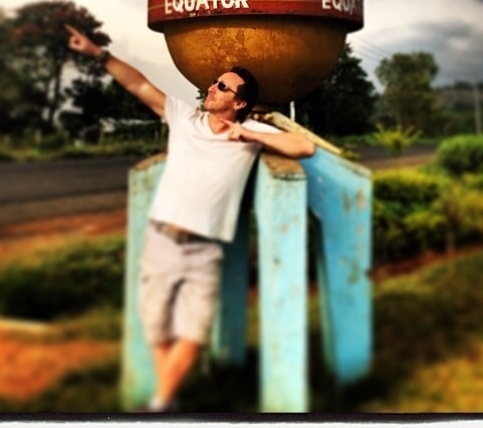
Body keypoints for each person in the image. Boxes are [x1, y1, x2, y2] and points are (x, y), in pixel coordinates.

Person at [65, 24, 315, 412]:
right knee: (157, 329)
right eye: (214, 82)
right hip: (161, 240)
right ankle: (165, 403)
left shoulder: (250, 131)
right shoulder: (184, 119)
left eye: (222, 87)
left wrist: (254, 137)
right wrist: (98, 53)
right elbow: (138, 85)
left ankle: (160, 405)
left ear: (239, 103)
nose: (211, 88)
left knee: (193, 334)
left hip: (204, 249)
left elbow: (304, 146)